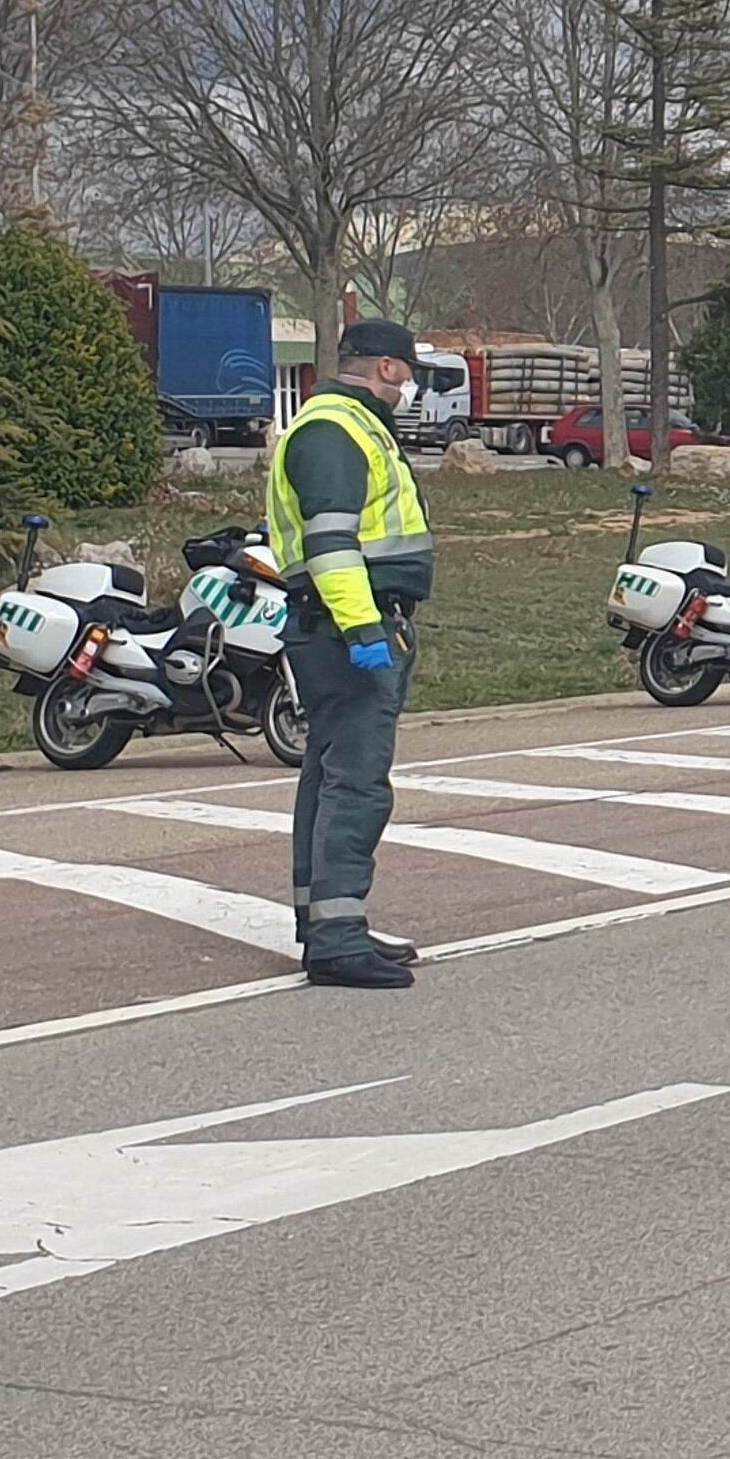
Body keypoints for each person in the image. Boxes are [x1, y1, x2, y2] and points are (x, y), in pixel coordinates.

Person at [266, 317, 436, 989]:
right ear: (389, 368)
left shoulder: (339, 424)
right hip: (347, 630)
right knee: (356, 784)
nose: (411, 386)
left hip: (339, 624)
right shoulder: (336, 431)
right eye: (410, 372)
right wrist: (365, 631)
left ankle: (327, 921)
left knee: (331, 775)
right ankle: (336, 938)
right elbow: (332, 543)